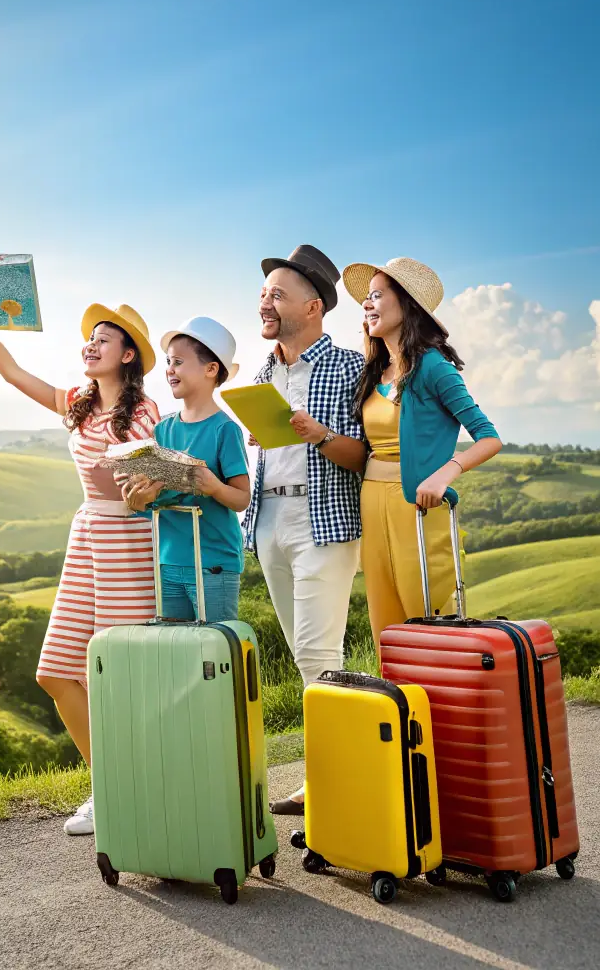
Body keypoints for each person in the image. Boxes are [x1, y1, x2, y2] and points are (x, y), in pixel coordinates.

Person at [0, 276, 159, 836]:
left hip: (128, 544)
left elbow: (149, 482)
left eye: (104, 339)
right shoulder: (79, 402)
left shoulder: (144, 411)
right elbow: (14, 374)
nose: (91, 345)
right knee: (54, 671)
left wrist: (144, 486)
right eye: (89, 338)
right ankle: (109, 787)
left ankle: (131, 790)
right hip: (87, 536)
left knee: (115, 676)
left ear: (128, 355)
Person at [242, 244, 368, 816]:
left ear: (313, 307)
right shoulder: (263, 372)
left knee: (320, 656)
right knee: (303, 657)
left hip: (325, 522)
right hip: (269, 520)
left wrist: (317, 434)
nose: (264, 303)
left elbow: (365, 455)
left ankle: (332, 785)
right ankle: (335, 773)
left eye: (277, 295)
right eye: (263, 294)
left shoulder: (348, 367)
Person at [340, 257, 502, 643]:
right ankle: (396, 685)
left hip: (416, 504)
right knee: (386, 622)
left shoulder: (433, 367)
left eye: (377, 295)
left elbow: (488, 437)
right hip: (372, 501)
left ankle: (439, 682)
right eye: (366, 298)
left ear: (407, 304)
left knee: (426, 614)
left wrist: (446, 473)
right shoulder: (374, 373)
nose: (367, 304)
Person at [120, 317, 250, 620]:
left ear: (210, 369)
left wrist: (214, 487)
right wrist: (139, 498)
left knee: (216, 645)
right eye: (168, 362)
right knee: (174, 645)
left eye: (178, 362)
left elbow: (242, 498)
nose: (170, 369)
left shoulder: (225, 430)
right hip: (167, 560)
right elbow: (156, 499)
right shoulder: (163, 430)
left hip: (213, 563)